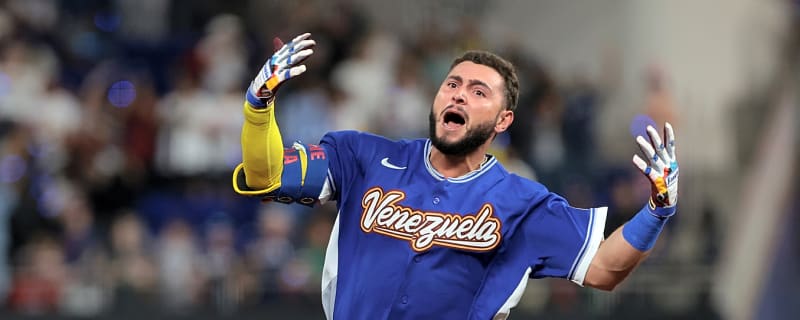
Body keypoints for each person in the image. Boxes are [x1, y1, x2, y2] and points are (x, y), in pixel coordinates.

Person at [232, 33, 679, 320]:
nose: (459, 95)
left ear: (502, 122)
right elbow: (265, 174)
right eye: (453, 85)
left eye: (478, 91)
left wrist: (656, 211)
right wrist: (258, 107)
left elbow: (603, 268)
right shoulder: (364, 156)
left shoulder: (521, 201)